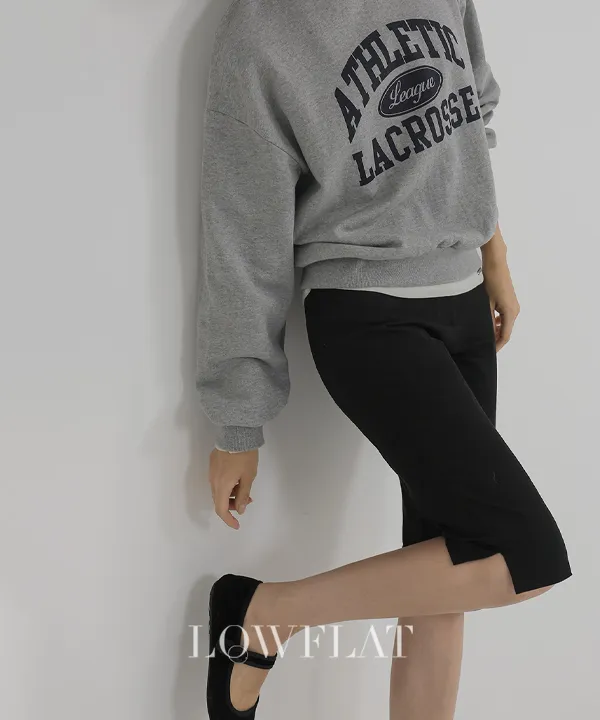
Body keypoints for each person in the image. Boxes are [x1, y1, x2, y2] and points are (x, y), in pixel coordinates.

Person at [196, 1, 573, 718]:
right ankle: (264, 615)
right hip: (367, 317)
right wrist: (238, 419)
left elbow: (470, 115)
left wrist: (494, 256)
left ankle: (269, 620)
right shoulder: (261, 31)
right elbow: (244, 235)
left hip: (463, 301)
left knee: (449, 575)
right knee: (521, 554)